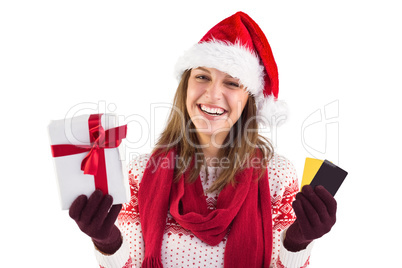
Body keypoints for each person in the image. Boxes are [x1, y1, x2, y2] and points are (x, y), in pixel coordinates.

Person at [68, 11, 337, 268]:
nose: (212, 94)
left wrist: (298, 241)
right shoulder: (141, 172)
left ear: (249, 102)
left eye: (232, 83)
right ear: (185, 86)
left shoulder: (276, 175)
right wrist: (107, 241)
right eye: (202, 77)